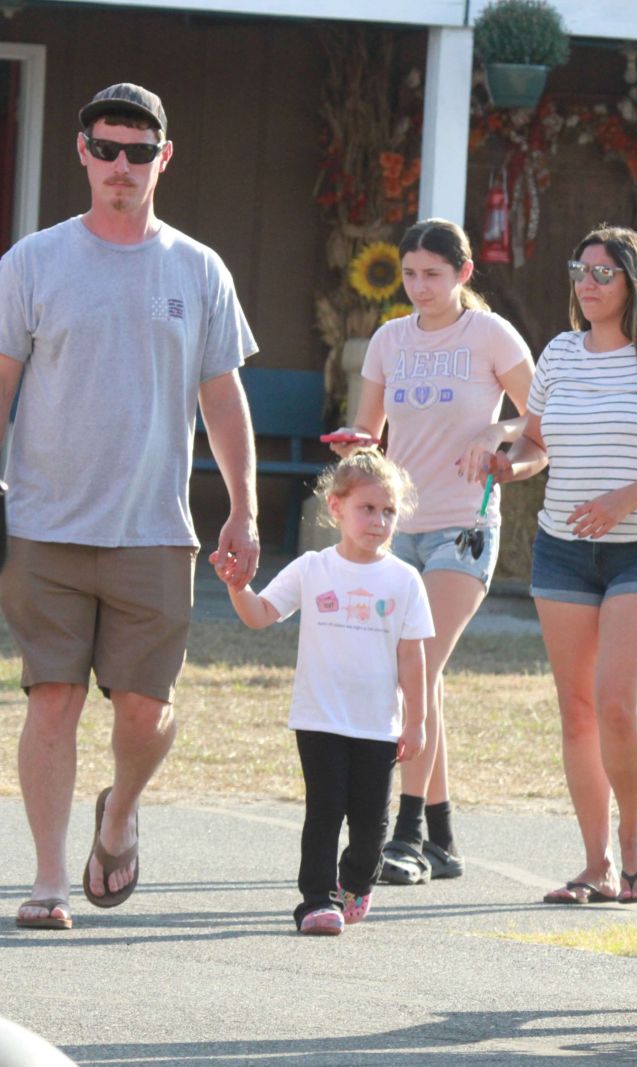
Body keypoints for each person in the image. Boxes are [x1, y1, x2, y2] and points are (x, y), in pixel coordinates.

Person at [0, 83, 259, 931]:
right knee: (52, 698)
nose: (121, 165)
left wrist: (244, 508)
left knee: (146, 712)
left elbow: (223, 400)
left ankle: (119, 813)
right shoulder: (33, 262)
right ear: (82, 152)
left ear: (163, 158)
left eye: (138, 152)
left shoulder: (198, 268)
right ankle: (48, 879)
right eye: (107, 148)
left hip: (154, 530)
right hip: (44, 524)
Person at [474, 226, 637, 905]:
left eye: (602, 273)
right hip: (562, 549)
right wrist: (511, 467)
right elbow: (535, 442)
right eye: (580, 270)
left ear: (634, 282)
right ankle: (596, 864)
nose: (587, 284)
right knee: (578, 710)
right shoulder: (559, 352)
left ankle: (635, 844)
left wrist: (626, 497)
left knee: (616, 700)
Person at [332, 218, 535, 886]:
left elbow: (544, 419)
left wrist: (496, 432)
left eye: (433, 275)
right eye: (411, 274)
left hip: (463, 529)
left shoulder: (490, 335)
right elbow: (369, 430)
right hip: (398, 530)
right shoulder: (390, 340)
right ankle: (442, 838)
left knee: (411, 671)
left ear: (463, 274)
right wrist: (354, 443)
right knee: (425, 677)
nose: (419, 287)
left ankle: (407, 835)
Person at [213, 450, 432, 934]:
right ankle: (316, 900)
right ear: (336, 507)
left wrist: (416, 721)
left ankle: (357, 881)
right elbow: (259, 614)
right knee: (325, 810)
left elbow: (412, 657)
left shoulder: (404, 580)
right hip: (319, 719)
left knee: (371, 826)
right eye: (367, 508)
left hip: (377, 725)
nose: (379, 521)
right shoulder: (312, 568)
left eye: (389, 511)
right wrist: (236, 586)